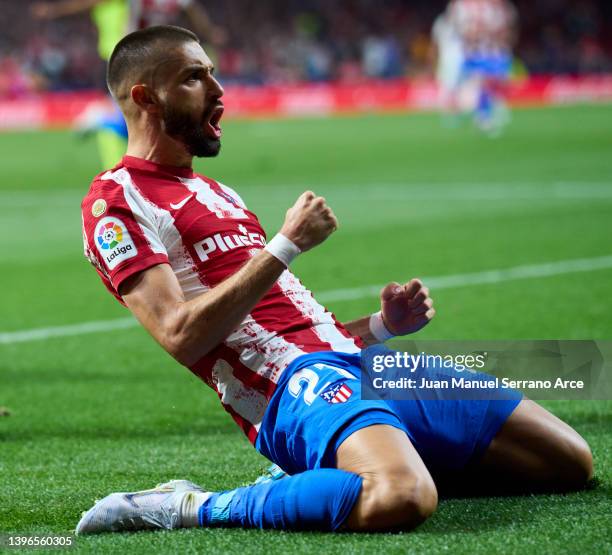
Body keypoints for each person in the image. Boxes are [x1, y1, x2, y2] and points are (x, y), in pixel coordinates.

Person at [77, 25, 593, 534]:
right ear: (146, 97)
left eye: (212, 73)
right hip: (293, 390)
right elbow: (180, 333)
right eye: (195, 78)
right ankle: (190, 505)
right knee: (401, 497)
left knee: (569, 461)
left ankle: (343, 468)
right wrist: (285, 245)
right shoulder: (116, 202)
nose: (218, 91)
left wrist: (382, 326)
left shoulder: (219, 194)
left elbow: (286, 325)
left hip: (359, 363)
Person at [31, 0, 225, 168]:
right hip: (127, 57)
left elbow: (191, 9)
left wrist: (210, 31)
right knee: (143, 114)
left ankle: (110, 128)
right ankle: (103, 122)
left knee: (150, 114)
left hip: (145, 56)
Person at [448, 0, 517, 133]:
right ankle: (474, 114)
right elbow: (460, 28)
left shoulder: (494, 7)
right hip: (473, 51)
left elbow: (504, 29)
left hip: (489, 50)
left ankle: (484, 112)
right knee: (477, 83)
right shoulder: (462, 6)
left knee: (489, 83)